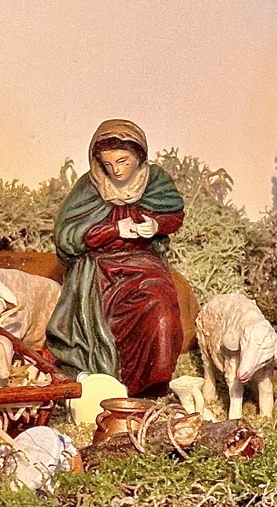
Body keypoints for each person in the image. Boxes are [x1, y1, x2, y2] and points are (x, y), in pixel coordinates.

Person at [46, 120, 186, 396]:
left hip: (144, 264)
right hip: (99, 268)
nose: (116, 170)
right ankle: (105, 383)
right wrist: (113, 230)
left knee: (161, 311)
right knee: (100, 322)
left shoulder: (155, 181)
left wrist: (155, 225)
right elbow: (67, 235)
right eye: (108, 164)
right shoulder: (90, 186)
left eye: (123, 161)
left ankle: (151, 387)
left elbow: (174, 214)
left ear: (139, 156)